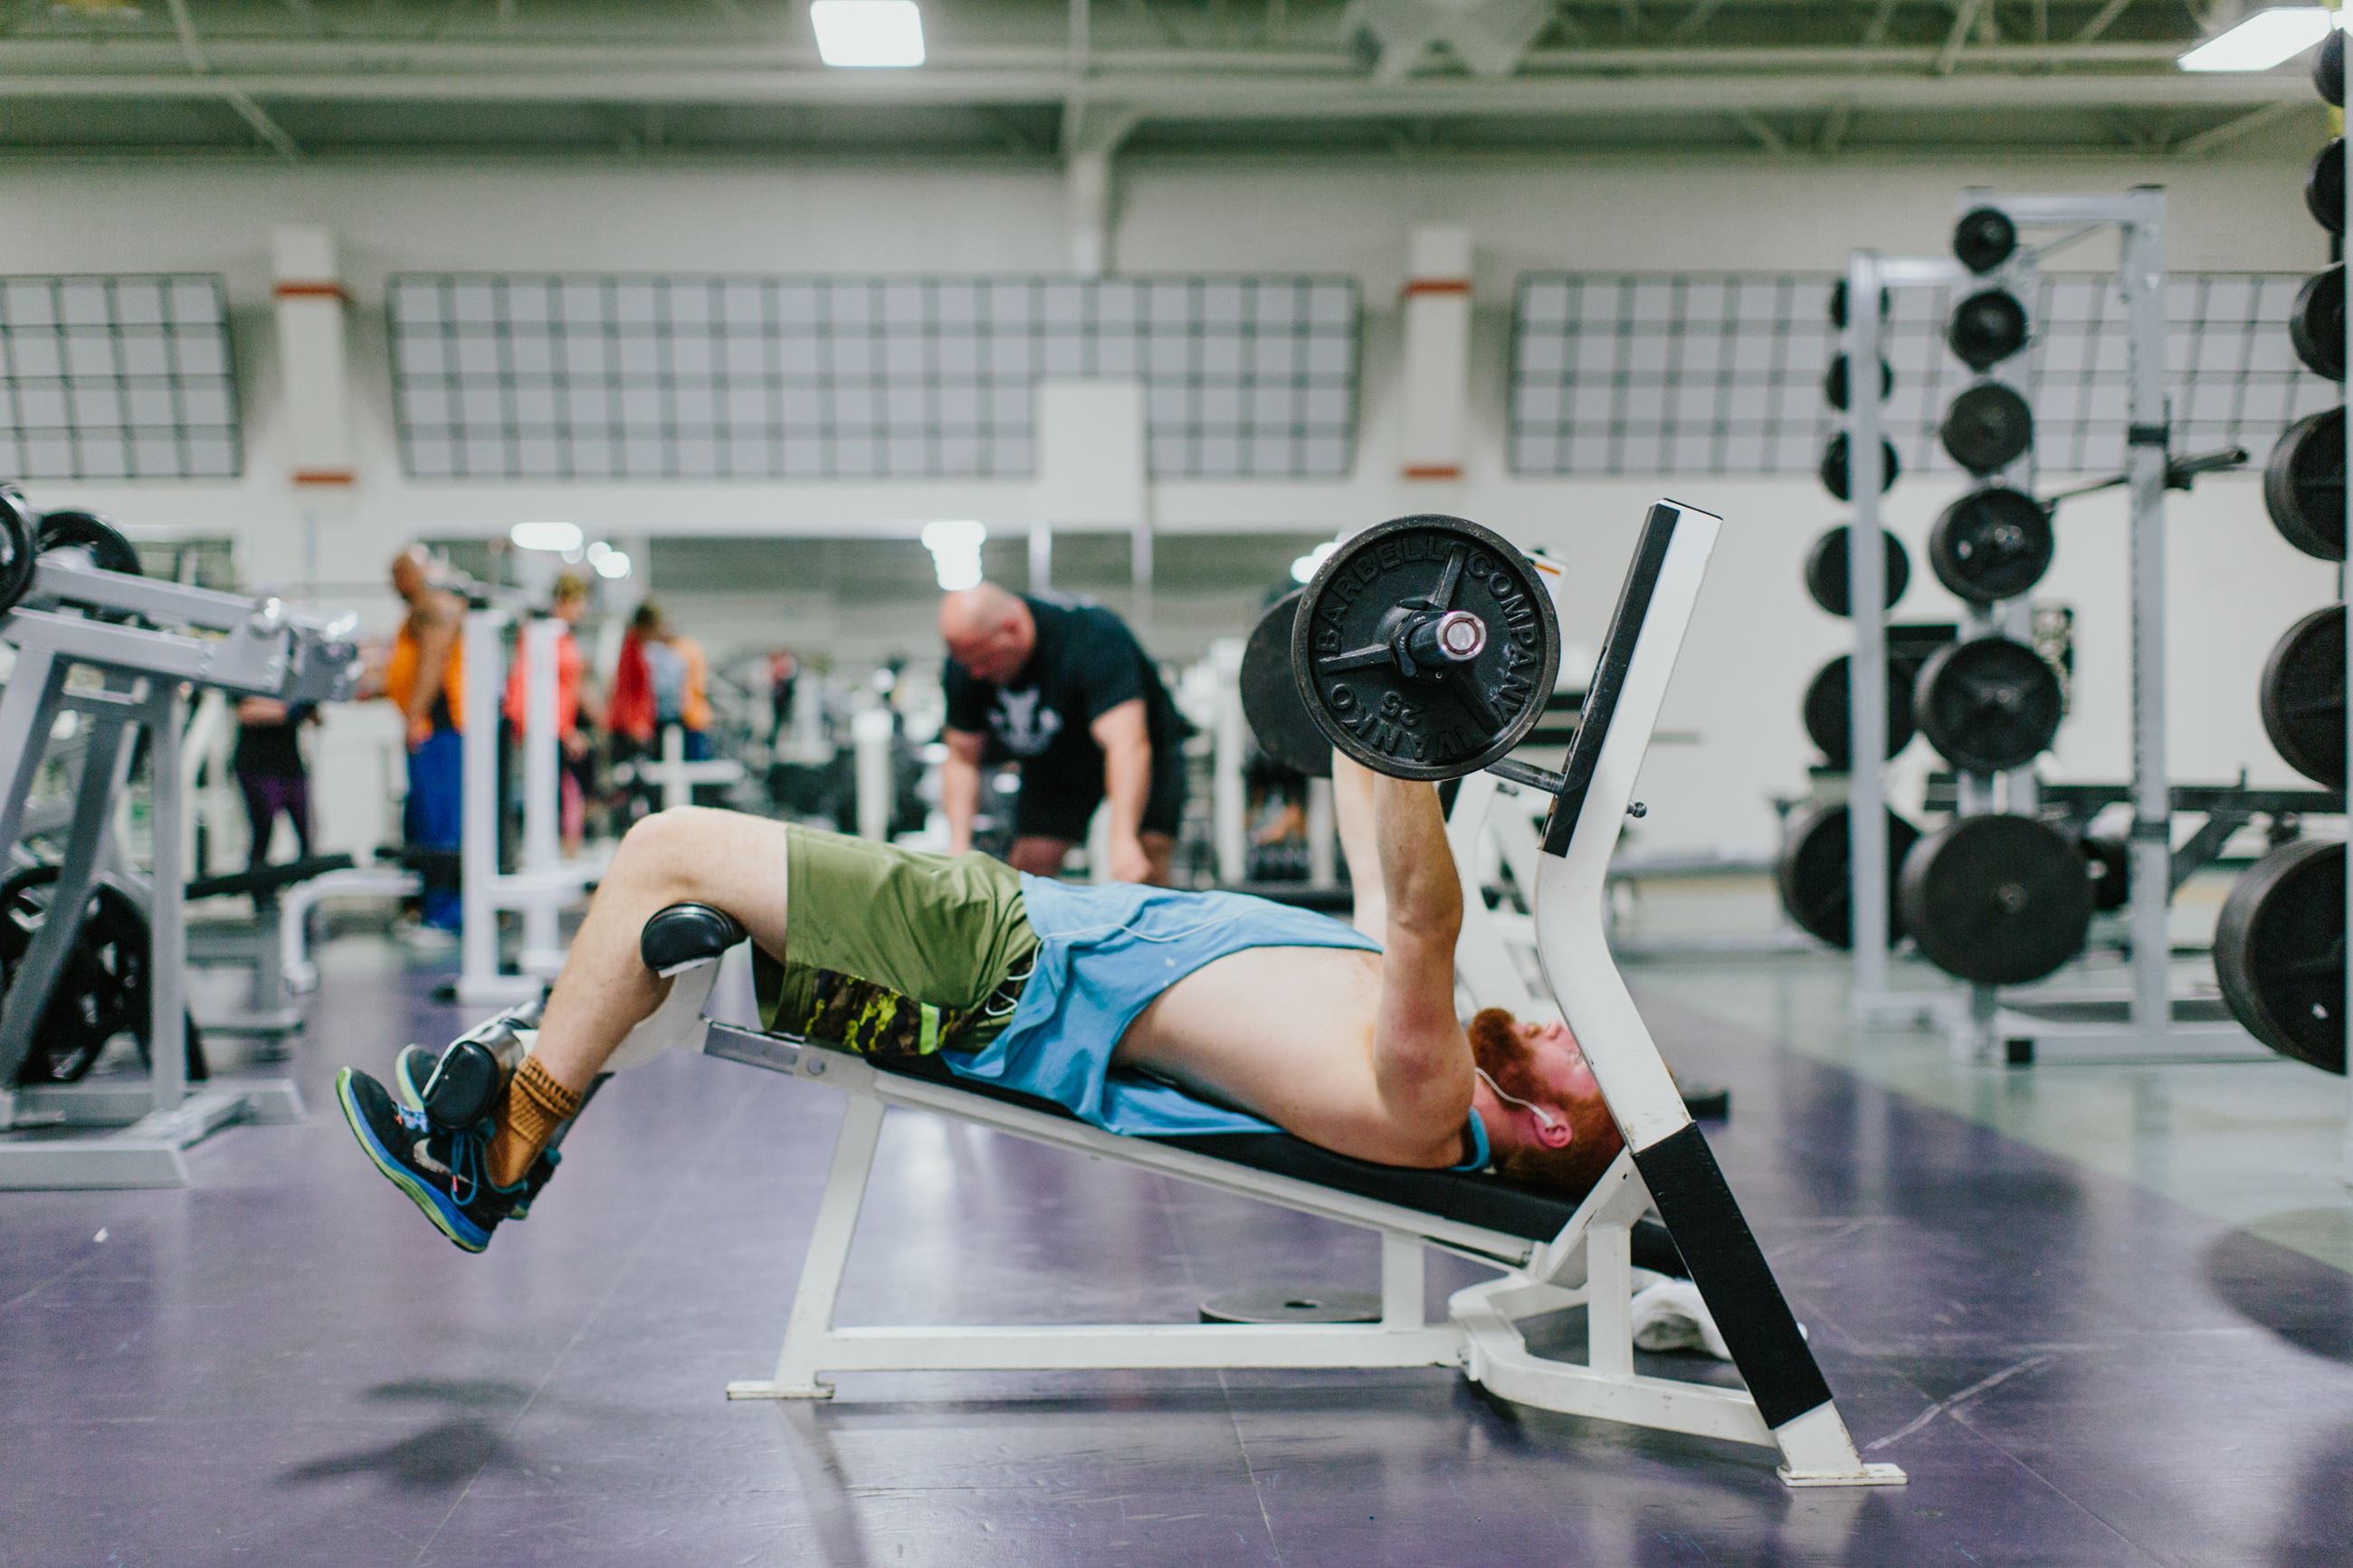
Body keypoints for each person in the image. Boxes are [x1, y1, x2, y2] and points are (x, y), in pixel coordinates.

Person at [332, 750, 1622, 1254]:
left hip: (999, 962)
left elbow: (1422, 912)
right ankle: (512, 1108)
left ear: (1550, 1131)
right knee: (671, 915)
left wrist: (1406, 718)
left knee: (667, 848)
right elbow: (1378, 852)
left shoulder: (1427, 1100)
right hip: (1008, 930)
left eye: (1592, 1063)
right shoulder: (1428, 1060)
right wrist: (1367, 720)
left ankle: (505, 1140)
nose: (1572, 1029)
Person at [938, 583, 1190, 885]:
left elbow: (1127, 744)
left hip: (1140, 747)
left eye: (985, 660)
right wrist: (958, 847)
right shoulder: (967, 663)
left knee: (1143, 857)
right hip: (1057, 757)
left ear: (1011, 627)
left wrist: (1123, 840)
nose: (976, 674)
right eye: (969, 665)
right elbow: (962, 759)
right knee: (1031, 863)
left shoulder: (1092, 635)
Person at [374, 546, 466, 934]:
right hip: (431, 729)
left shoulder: (433, 608)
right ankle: (431, 908)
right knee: (423, 822)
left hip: (439, 730)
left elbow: (432, 663)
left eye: (398, 573)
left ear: (414, 575)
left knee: (441, 824)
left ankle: (446, 915)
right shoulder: (421, 611)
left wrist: (415, 717)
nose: (392, 583)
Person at [502, 572, 601, 857]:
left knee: (569, 788)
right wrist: (560, 730)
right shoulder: (541, 635)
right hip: (547, 726)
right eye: (579, 602)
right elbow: (532, 685)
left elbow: (571, 686)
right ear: (566, 600)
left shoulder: (563, 636)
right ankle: (555, 852)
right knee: (558, 791)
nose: (582, 609)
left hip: (559, 724)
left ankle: (565, 851)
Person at [231, 698, 317, 874]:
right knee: (263, 834)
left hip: (290, 765)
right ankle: (261, 894)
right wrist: (287, 711)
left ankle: (306, 888)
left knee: (306, 836)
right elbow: (245, 713)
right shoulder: (249, 675)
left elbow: (315, 717)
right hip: (256, 766)